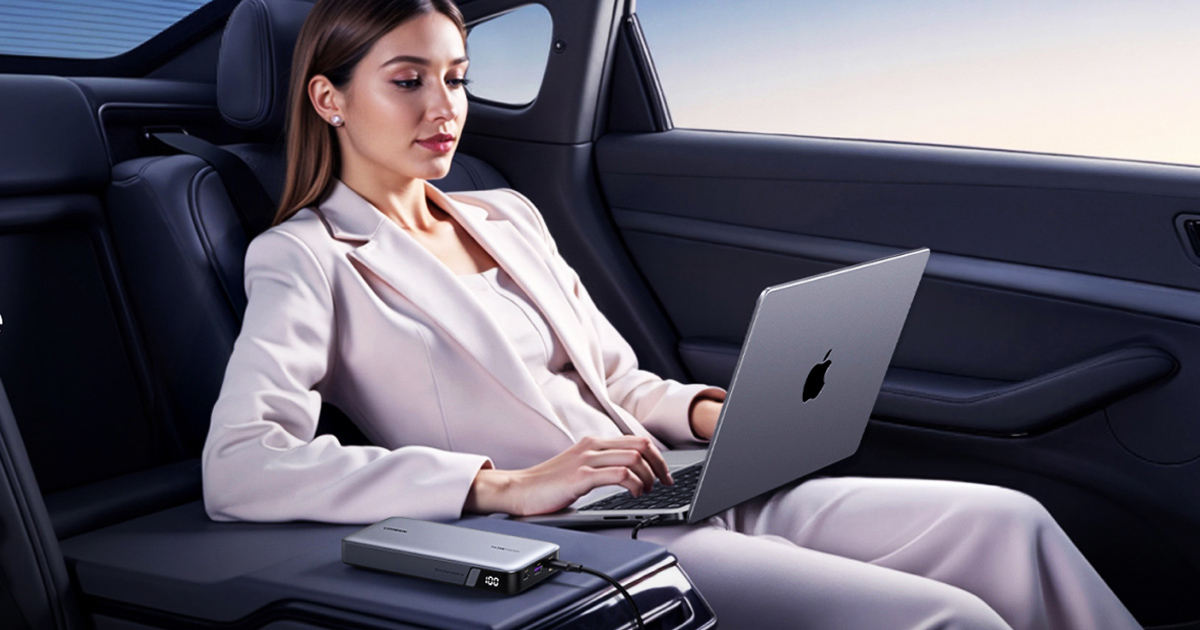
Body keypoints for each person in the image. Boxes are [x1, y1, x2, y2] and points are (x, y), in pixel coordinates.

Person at [201, 1, 1142, 628]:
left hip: (690, 483)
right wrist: (500, 485)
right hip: (574, 536)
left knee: (1012, 524)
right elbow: (243, 466)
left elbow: (617, 381)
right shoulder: (308, 254)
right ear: (329, 98)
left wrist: (705, 414)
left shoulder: (505, 214)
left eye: (455, 77)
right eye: (407, 80)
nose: (445, 106)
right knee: (948, 619)